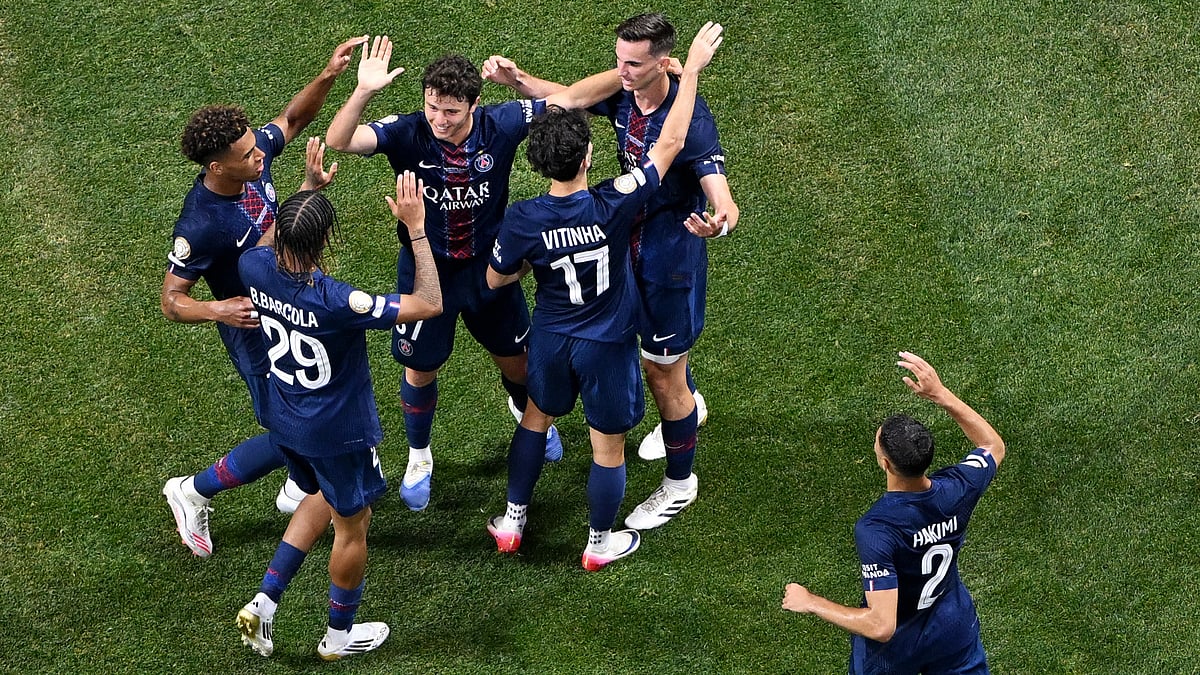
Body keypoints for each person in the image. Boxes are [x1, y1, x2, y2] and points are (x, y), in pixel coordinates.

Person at [325, 39, 625, 512]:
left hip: (491, 272)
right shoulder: (407, 132)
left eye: (451, 111)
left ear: (474, 105)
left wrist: (632, 72)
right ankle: (419, 456)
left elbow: (572, 98)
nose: (440, 119)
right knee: (420, 368)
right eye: (433, 107)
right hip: (426, 274)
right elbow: (341, 139)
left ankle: (523, 413)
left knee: (518, 361)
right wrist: (362, 91)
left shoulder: (501, 124)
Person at [482, 13, 740, 531]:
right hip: (624, 245)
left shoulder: (692, 119)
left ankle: (679, 483)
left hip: (669, 264)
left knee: (661, 373)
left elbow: (722, 195)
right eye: (618, 59)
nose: (621, 70)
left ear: (663, 64)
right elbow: (571, 98)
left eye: (632, 63)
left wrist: (720, 223)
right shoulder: (625, 91)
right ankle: (686, 399)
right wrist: (520, 81)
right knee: (660, 366)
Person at [161, 37, 366, 558]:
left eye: (257, 147)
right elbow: (171, 300)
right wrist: (218, 309)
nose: (261, 155)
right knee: (290, 429)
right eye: (248, 154)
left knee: (300, 424)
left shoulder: (253, 161)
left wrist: (327, 74)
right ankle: (192, 490)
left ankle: (301, 480)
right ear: (216, 168)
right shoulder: (202, 223)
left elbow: (292, 120)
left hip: (288, 311)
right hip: (255, 333)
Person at [234, 169, 442, 660]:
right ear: (326, 240)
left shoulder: (252, 267)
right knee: (354, 524)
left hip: (287, 416)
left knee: (318, 496)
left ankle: (264, 603)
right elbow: (429, 303)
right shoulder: (336, 300)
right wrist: (417, 228)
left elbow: (268, 244)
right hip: (337, 433)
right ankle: (339, 638)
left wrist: (306, 189)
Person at [782, 352, 1006, 674]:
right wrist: (940, 395)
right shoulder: (959, 487)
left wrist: (811, 602)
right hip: (952, 628)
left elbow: (881, 625)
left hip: (895, 652)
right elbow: (992, 445)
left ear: (885, 463)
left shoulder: (877, 529)